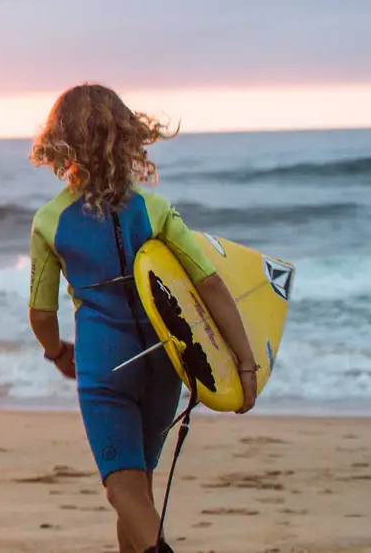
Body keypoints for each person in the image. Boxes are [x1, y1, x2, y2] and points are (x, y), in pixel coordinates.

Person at [25, 83, 260, 553]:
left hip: (104, 366)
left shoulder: (50, 221)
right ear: (127, 135)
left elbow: (41, 312)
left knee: (123, 488)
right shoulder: (155, 210)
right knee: (139, 487)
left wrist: (56, 353)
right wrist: (245, 363)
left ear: (59, 142)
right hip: (164, 361)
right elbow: (210, 285)